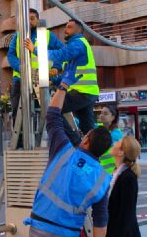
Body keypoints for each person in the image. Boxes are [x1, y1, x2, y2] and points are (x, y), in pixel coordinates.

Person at [24, 61, 112, 237]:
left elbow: (52, 116)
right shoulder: (102, 179)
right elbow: (101, 219)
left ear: (85, 140)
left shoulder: (63, 150)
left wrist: (63, 86)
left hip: (40, 231)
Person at [26, 19, 99, 147]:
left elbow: (61, 54)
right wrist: (53, 79)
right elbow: (69, 76)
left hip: (82, 92)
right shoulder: (77, 46)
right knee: (88, 130)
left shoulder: (78, 43)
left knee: (52, 111)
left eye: (70, 27)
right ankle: (94, 153)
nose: (66, 29)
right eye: (66, 26)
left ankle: (76, 143)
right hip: (88, 93)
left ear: (78, 30)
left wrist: (35, 50)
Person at [8, 8, 63, 142]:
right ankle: (20, 141)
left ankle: (47, 139)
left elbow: (61, 52)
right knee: (18, 111)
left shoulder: (47, 35)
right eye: (27, 19)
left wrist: (56, 67)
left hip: (41, 80)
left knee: (46, 111)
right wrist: (22, 69)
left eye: (32, 18)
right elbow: (11, 55)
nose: (29, 21)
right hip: (21, 79)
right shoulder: (18, 36)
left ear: (38, 20)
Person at [105, 136, 142, 237]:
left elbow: (126, 214)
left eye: (117, 144)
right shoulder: (117, 173)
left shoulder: (127, 178)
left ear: (121, 152)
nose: (113, 144)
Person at [98, 104, 123, 175]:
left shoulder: (116, 134)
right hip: (100, 170)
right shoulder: (98, 127)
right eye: (101, 113)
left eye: (105, 113)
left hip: (110, 172)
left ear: (113, 117)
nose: (102, 115)